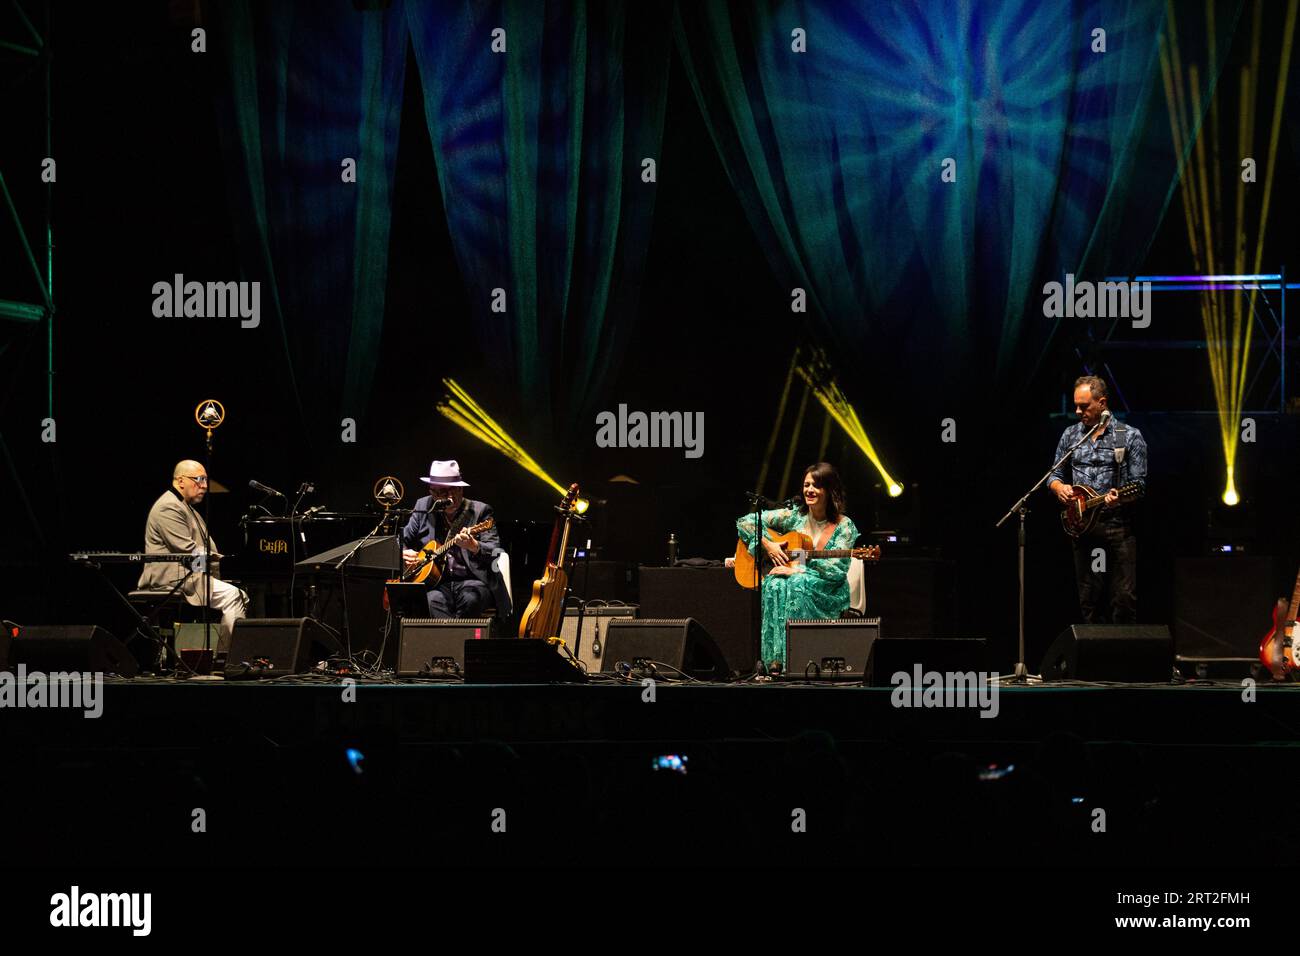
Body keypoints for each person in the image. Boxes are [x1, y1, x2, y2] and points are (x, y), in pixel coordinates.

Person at [736, 462, 860, 673]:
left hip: (828, 589)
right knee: (774, 583)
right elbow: (745, 522)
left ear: (830, 490)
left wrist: (797, 569)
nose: (809, 490)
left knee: (796, 582)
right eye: (806, 485)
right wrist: (769, 545)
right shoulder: (793, 516)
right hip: (796, 576)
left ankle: (799, 659)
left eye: (816, 486)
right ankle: (774, 662)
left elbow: (836, 570)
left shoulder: (844, 525)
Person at [1048, 375, 1148, 625]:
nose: (1078, 411)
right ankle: (1093, 657)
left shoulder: (1129, 436)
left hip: (1118, 527)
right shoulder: (1071, 435)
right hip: (1082, 527)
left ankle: (1122, 656)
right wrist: (1058, 487)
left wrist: (1120, 498)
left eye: (1084, 406)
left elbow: (1139, 485)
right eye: (1076, 405)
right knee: (1088, 597)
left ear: (1102, 403)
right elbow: (1054, 473)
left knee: (1123, 597)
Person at [139, 459, 248, 650]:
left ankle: (224, 655)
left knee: (238, 594)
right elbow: (187, 549)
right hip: (171, 577)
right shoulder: (168, 507)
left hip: (187, 574)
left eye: (206, 480)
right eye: (199, 479)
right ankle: (230, 657)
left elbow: (199, 551)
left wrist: (216, 565)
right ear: (181, 480)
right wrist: (221, 560)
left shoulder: (185, 506)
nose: (205, 486)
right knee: (234, 596)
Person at [400, 459, 507, 620]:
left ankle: (455, 642)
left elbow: (496, 552)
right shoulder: (423, 506)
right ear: (432, 491)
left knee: (471, 599)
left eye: (453, 490)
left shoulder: (480, 511)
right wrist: (403, 552)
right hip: (436, 583)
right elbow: (401, 540)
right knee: (430, 601)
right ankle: (449, 642)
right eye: (439, 492)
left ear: (460, 489)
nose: (448, 497)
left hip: (472, 581)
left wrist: (474, 546)